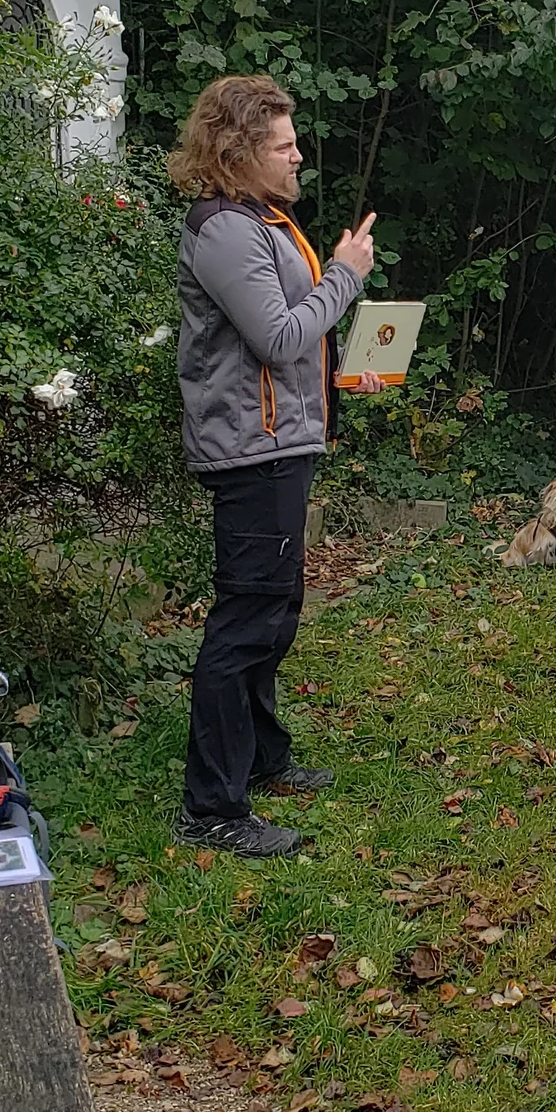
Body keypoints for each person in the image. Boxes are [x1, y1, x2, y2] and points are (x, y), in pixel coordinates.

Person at [168, 75, 380, 858]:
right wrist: (346, 274)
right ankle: (211, 807)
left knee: (275, 609)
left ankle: (260, 757)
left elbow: (297, 341)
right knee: (247, 619)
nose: (299, 158)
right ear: (239, 149)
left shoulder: (265, 218)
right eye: (284, 145)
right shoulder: (226, 229)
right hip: (249, 451)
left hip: (281, 443)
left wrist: (344, 366)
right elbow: (280, 337)